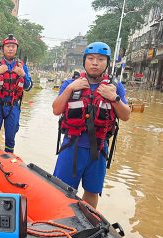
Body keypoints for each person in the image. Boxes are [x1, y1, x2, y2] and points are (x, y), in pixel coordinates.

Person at [52, 42, 131, 208]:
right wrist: (69, 90)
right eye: (91, 58)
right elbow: (56, 110)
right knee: (61, 191)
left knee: (92, 192)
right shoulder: (69, 84)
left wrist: (114, 97)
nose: (95, 62)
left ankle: (87, 225)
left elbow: (125, 116)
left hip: (99, 149)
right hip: (71, 147)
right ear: (84, 61)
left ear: (107, 63)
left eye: (101, 59)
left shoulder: (115, 86)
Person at [0, 34, 33, 153]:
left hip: (13, 107)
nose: (10, 49)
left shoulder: (22, 67)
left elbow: (29, 87)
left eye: (13, 46)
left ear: (16, 49)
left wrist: (24, 75)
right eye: (8, 46)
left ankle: (9, 161)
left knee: (10, 139)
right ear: (3, 48)